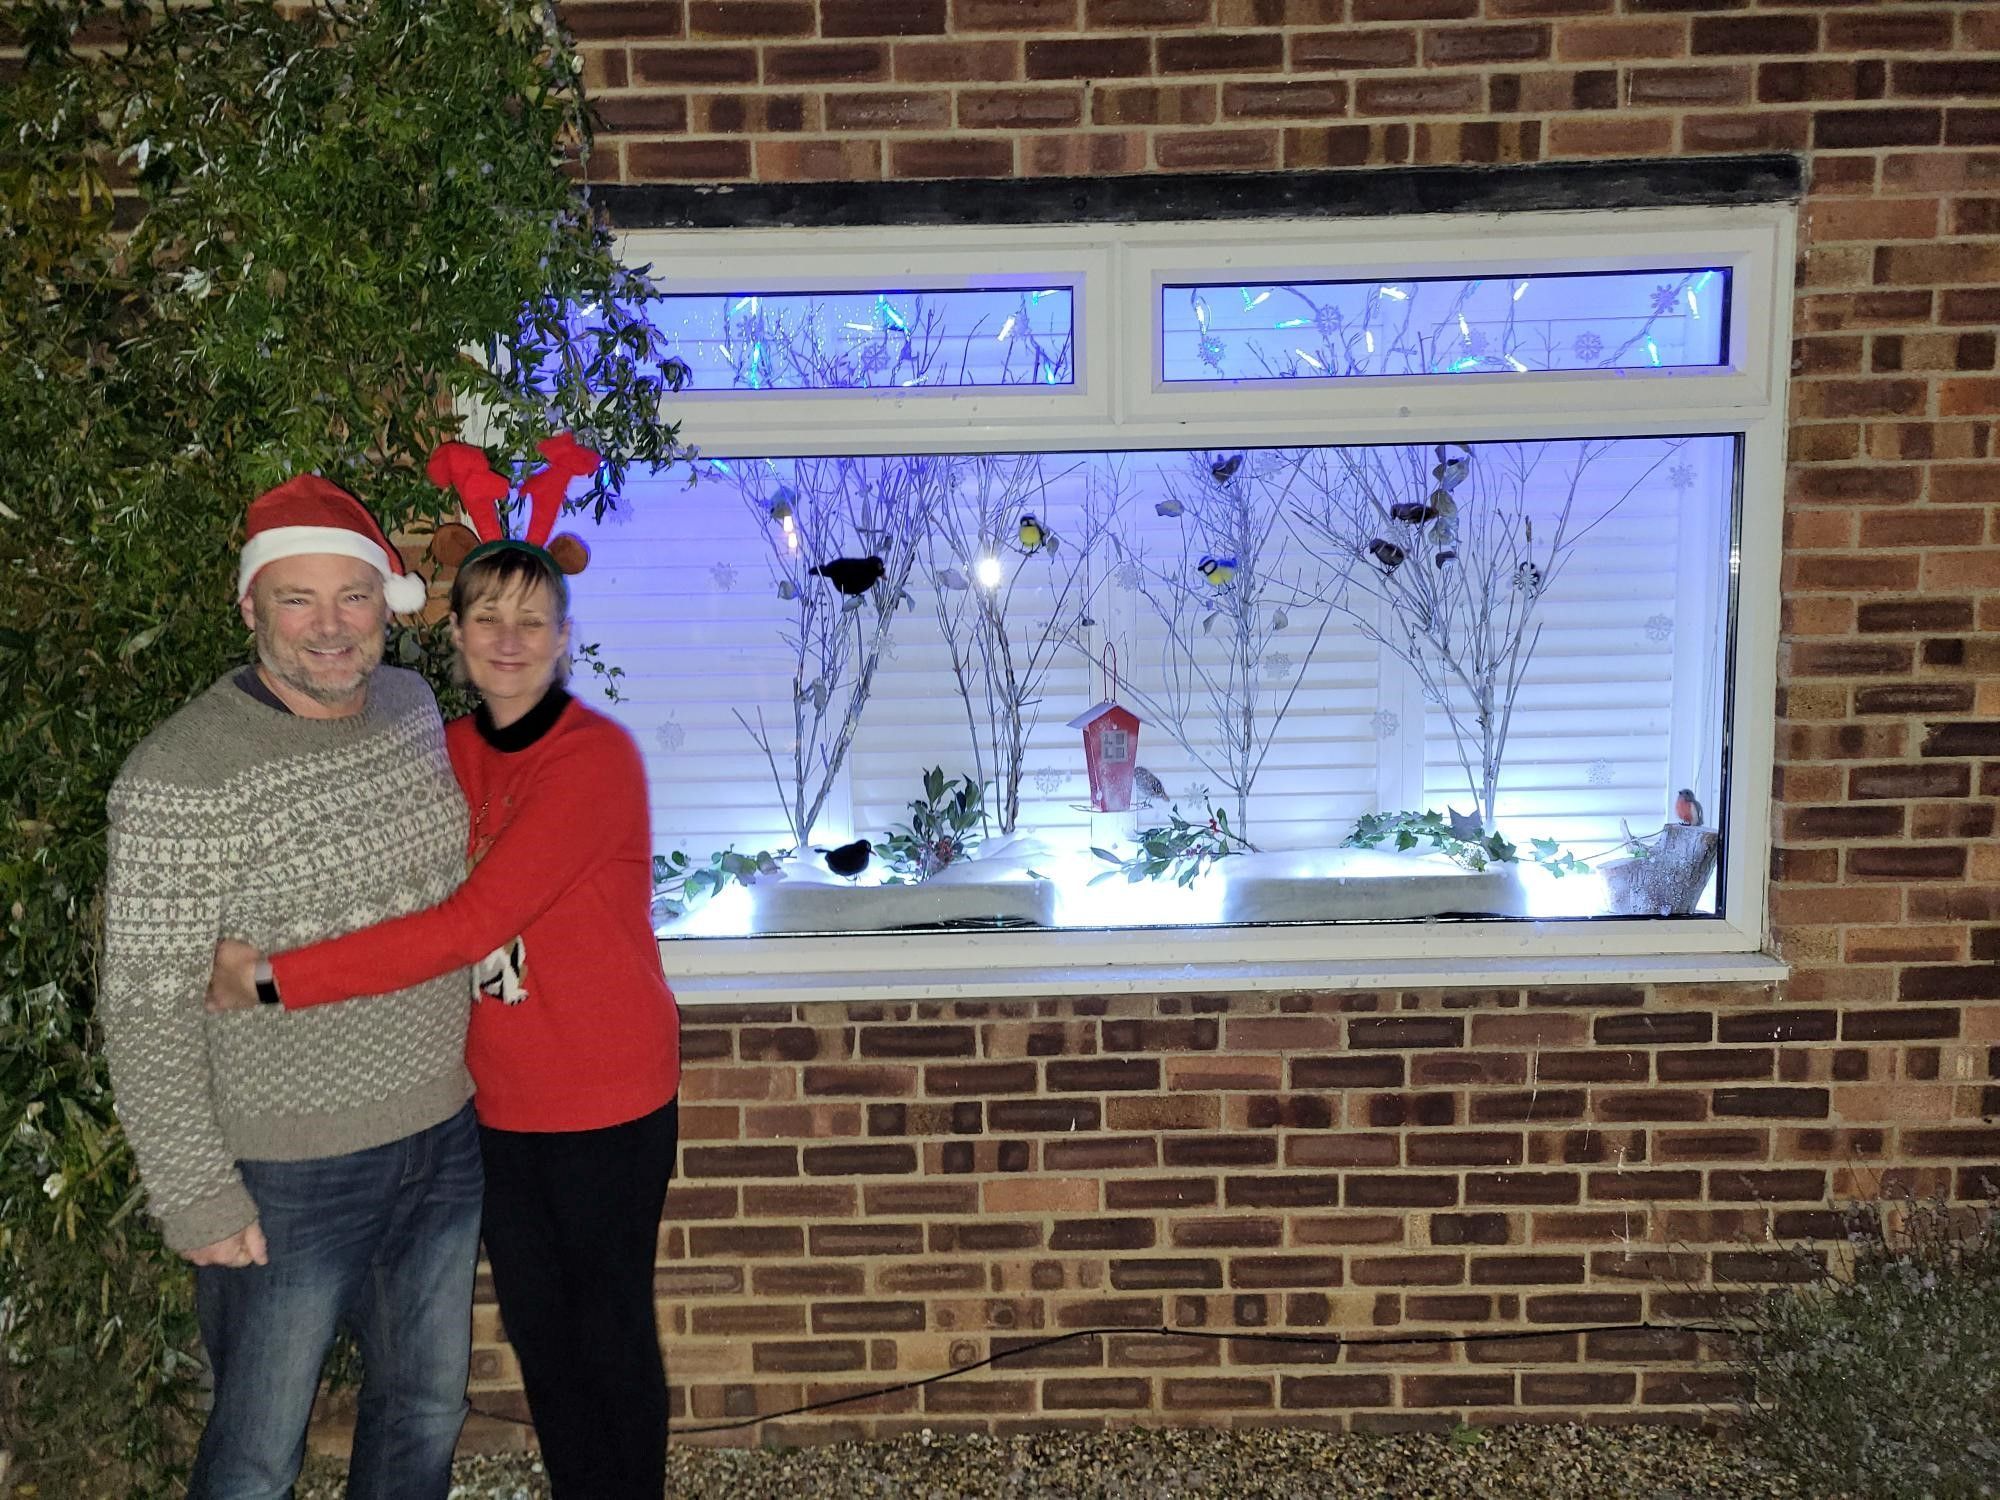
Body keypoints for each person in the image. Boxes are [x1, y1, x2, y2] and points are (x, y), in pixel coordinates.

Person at [206, 467, 682, 1500]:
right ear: (453, 632)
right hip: (491, 1098)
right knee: (537, 1329)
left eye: (534, 620)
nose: (508, 640)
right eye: (486, 618)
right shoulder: (439, 746)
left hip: (604, 1094)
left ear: (562, 639)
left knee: (604, 1324)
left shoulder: (594, 761)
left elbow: (466, 923)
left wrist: (273, 980)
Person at [100, 475, 480, 1500]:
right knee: (258, 1456)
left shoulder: (408, 708)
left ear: (387, 605)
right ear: (249, 609)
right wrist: (194, 1193)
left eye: (353, 597)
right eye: (295, 600)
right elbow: (143, 1008)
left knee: (425, 1413)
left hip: (442, 1136)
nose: (329, 628)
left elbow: (447, 901)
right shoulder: (180, 776)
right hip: (287, 1170)